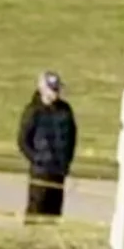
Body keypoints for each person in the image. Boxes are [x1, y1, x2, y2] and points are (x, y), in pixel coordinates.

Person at [18, 69, 76, 219]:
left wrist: (66, 162)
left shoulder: (65, 111)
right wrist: (38, 159)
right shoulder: (33, 111)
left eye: (57, 89)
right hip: (40, 172)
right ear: (42, 88)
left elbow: (72, 138)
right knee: (36, 211)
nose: (55, 93)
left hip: (59, 171)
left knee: (54, 214)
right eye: (52, 89)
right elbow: (23, 141)